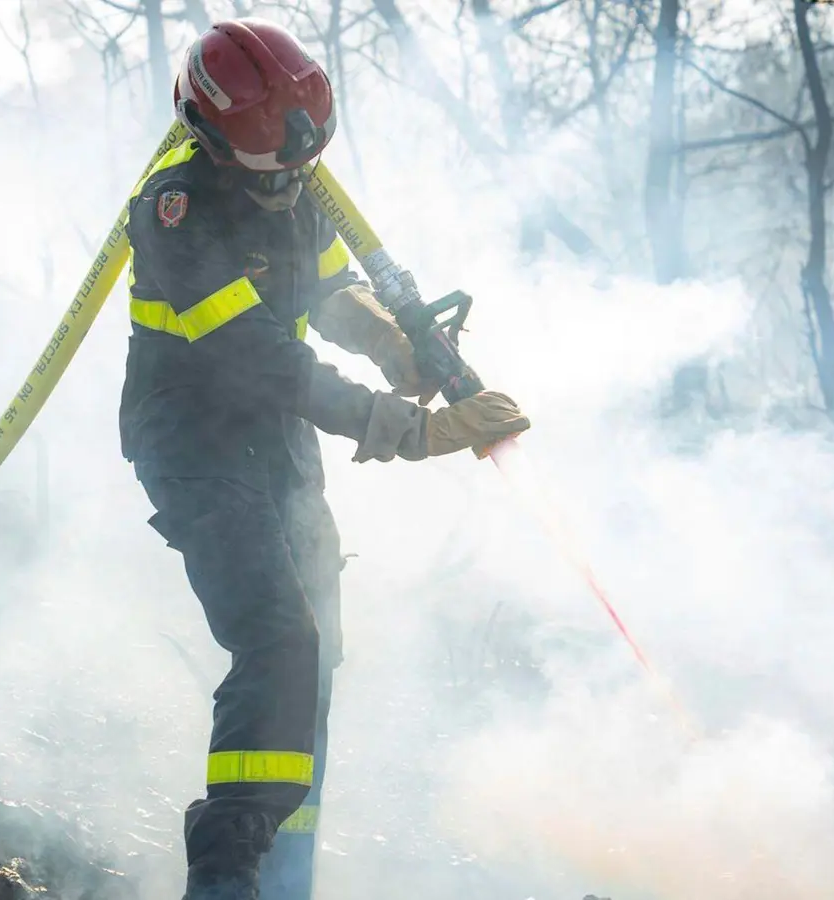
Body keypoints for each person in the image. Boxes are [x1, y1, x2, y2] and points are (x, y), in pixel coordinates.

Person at [119, 18, 532, 900]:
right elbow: (259, 354)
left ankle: (285, 875)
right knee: (276, 638)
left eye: (303, 168)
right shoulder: (172, 213)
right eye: (275, 171)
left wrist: (395, 344)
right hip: (195, 440)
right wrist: (405, 428)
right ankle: (227, 877)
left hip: (279, 444)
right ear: (215, 141)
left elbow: (331, 286)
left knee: (318, 653)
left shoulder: (296, 186)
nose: (294, 186)